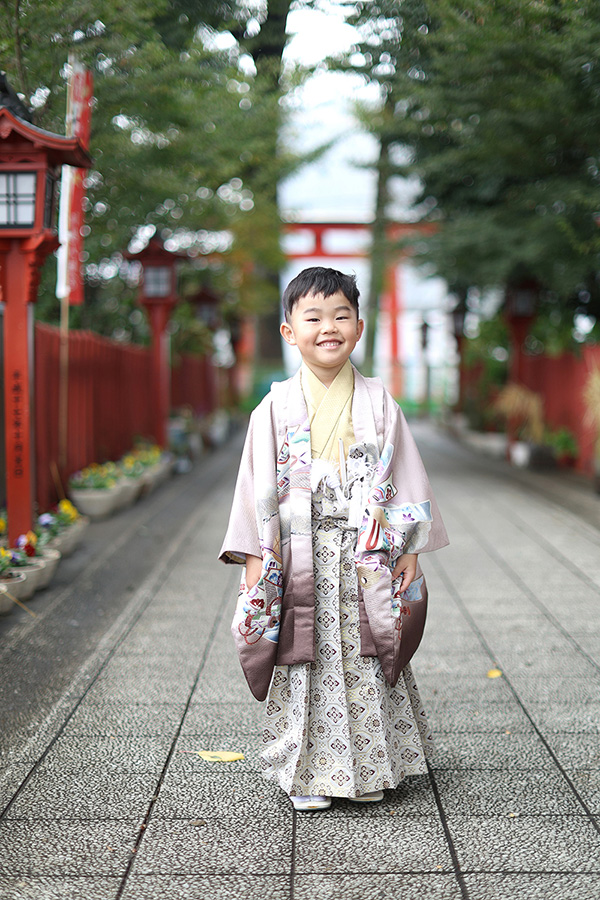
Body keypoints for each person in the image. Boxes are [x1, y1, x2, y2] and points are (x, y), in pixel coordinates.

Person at [219, 266, 449, 811]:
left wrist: (410, 548)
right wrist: (255, 558)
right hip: (298, 553)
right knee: (305, 653)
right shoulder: (272, 408)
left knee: (369, 650)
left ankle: (369, 765)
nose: (329, 326)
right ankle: (304, 773)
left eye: (341, 315)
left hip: (365, 553)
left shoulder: (379, 402)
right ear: (289, 331)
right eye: (313, 316)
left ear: (360, 327)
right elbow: (253, 486)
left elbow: (406, 477)